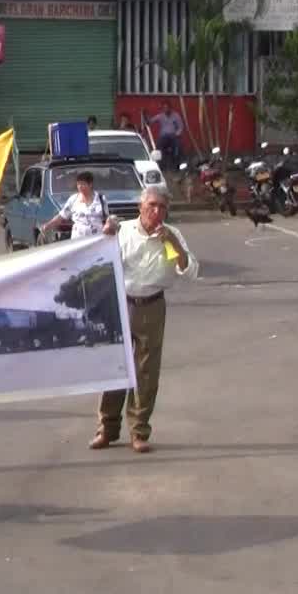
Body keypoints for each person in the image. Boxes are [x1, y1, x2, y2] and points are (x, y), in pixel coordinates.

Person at [91, 188, 199, 454]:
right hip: (121, 303)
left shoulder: (170, 235)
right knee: (116, 367)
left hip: (152, 305)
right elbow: (98, 262)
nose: (157, 212)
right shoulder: (123, 231)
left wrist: (172, 242)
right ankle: (107, 428)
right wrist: (104, 237)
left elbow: (189, 271)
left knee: (146, 371)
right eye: (152, 205)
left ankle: (139, 430)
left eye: (162, 207)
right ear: (140, 206)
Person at [41, 171, 108, 240]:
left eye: (83, 184)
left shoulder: (101, 199)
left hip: (97, 239)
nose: (80, 187)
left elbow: (107, 218)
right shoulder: (73, 199)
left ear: (90, 184)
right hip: (78, 239)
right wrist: (48, 225)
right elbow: (61, 216)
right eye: (78, 184)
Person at [149, 101, 184, 168]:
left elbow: (181, 126)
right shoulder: (160, 116)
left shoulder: (176, 116)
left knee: (177, 147)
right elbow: (151, 121)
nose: (166, 109)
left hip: (173, 136)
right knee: (158, 146)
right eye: (164, 108)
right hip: (163, 137)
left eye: (167, 107)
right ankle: (160, 165)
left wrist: (177, 134)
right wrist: (147, 120)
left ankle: (176, 164)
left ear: (170, 108)